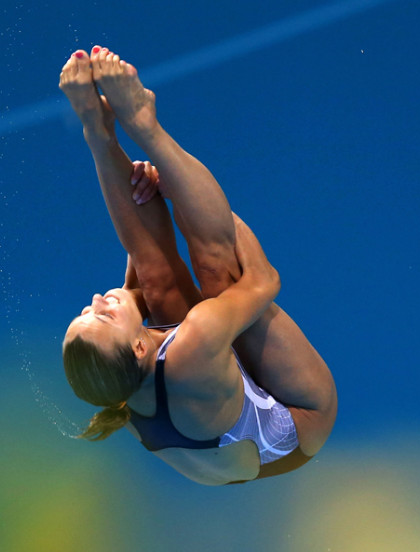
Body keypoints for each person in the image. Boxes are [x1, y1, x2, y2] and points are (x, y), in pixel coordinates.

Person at [59, 46, 337, 485]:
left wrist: (120, 160)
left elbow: (143, 271)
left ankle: (97, 132)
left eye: (84, 312)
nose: (95, 300)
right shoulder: (196, 342)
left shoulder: (118, 379)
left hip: (210, 417)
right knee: (218, 273)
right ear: (137, 348)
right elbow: (264, 279)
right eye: (102, 314)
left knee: (154, 278)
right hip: (296, 423)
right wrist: (180, 193)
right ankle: (146, 123)